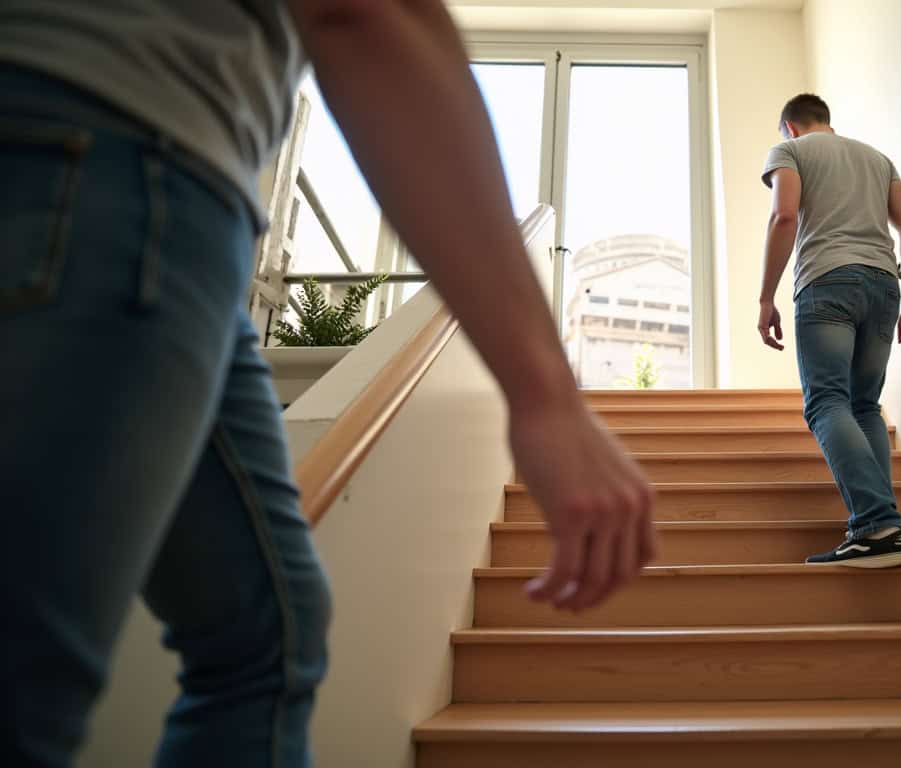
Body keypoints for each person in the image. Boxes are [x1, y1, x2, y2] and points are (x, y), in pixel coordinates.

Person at [0, 1, 657, 765]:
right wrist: (546, 396)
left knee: (267, 639)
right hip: (115, 165)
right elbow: (362, 15)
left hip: (144, 191)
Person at [757, 93, 901, 568]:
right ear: (825, 121)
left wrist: (766, 296)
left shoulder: (790, 152)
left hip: (828, 281)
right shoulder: (878, 159)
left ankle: (874, 524)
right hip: (883, 285)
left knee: (827, 402)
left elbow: (784, 215)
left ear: (790, 127)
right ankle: (886, 527)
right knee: (863, 405)